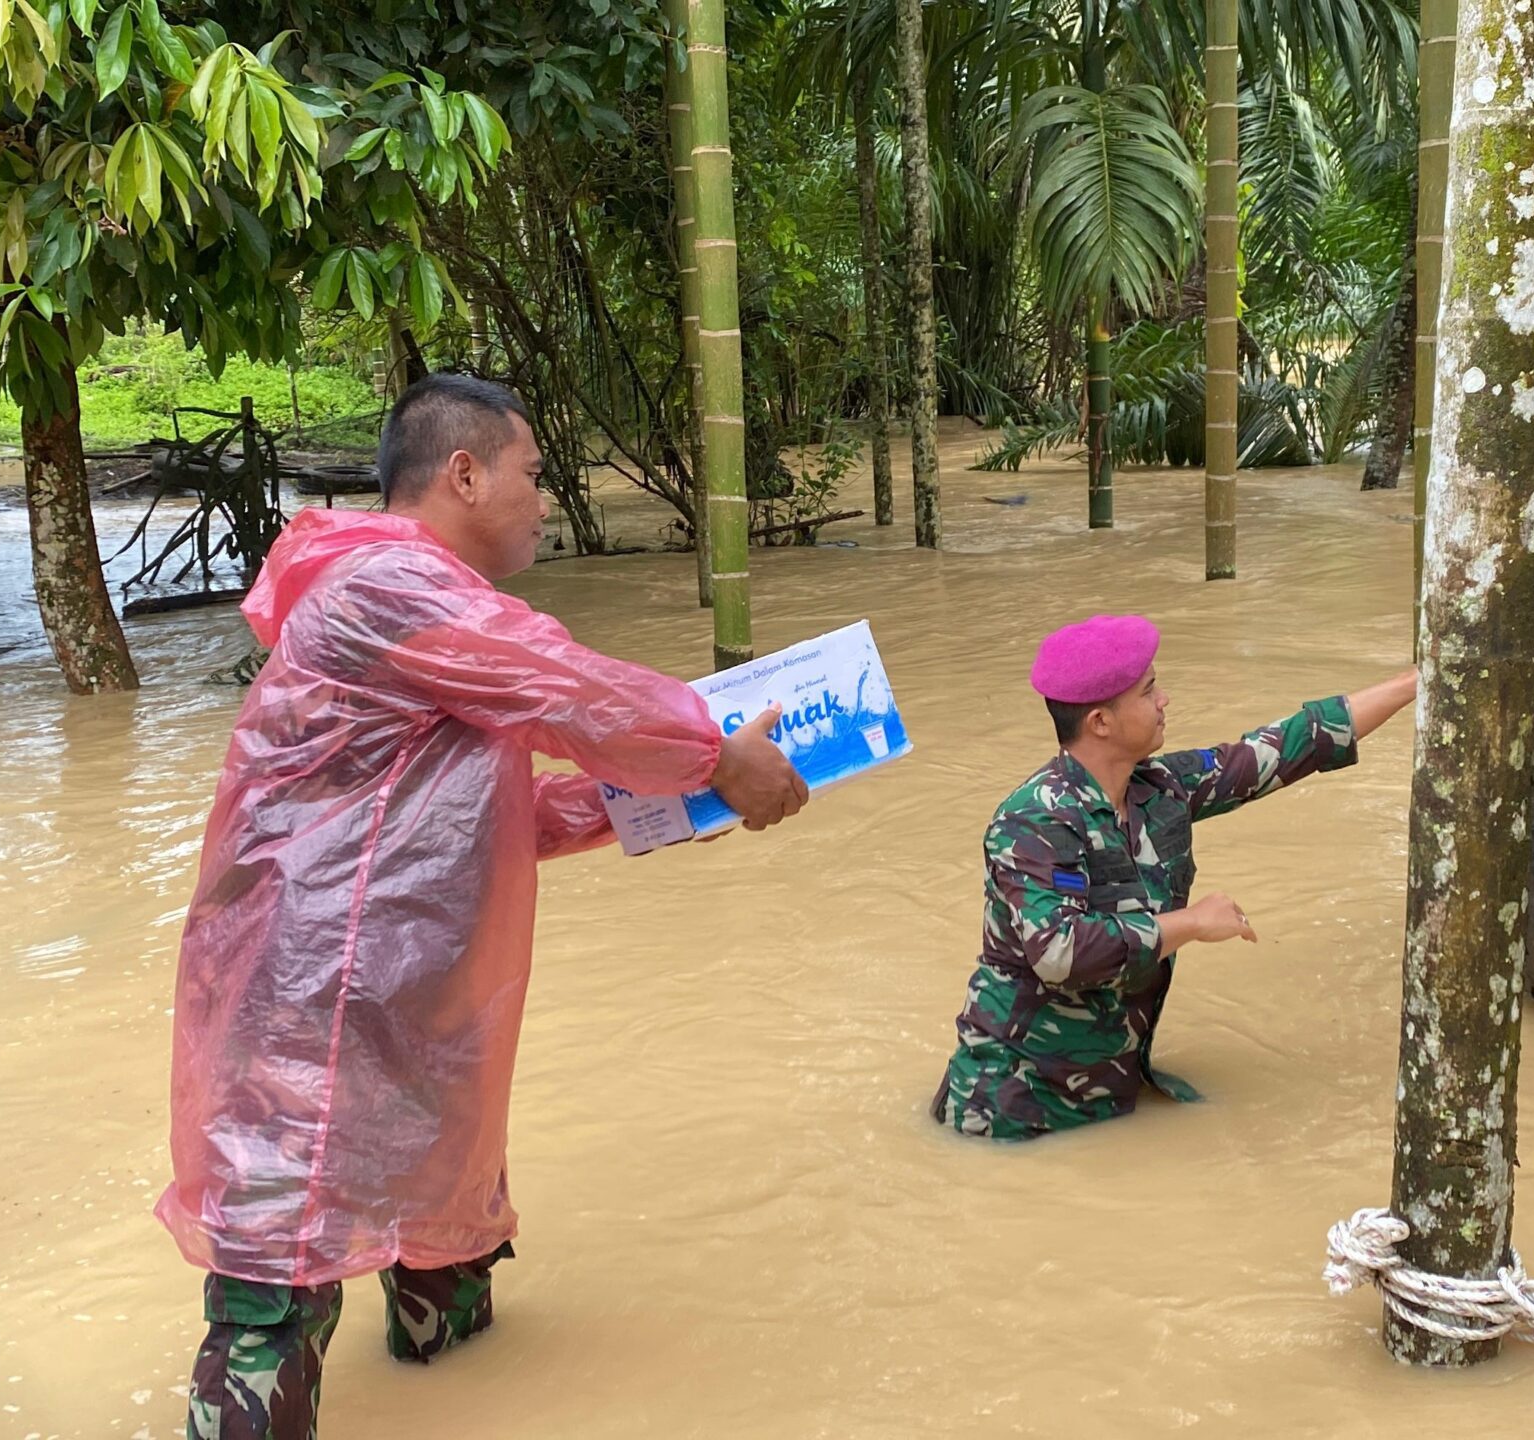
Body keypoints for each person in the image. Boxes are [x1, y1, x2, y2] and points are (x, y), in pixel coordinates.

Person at [159, 374, 808, 1439]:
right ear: (464, 473)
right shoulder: (393, 588)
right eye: (534, 474)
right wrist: (713, 755)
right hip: (314, 1003)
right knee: (278, 1280)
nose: (546, 501)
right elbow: (572, 690)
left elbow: (484, 815)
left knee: (445, 1250)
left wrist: (674, 802)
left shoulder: (424, 613)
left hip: (411, 1004)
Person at [930, 615, 1417, 1140]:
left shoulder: (1160, 788)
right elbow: (1060, 953)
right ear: (1101, 722)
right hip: (1010, 1110)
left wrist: (1415, 682)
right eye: (1149, 690)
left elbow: (1284, 749)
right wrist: (1192, 923)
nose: (1164, 700)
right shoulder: (1033, 821)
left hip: (1111, 1089)